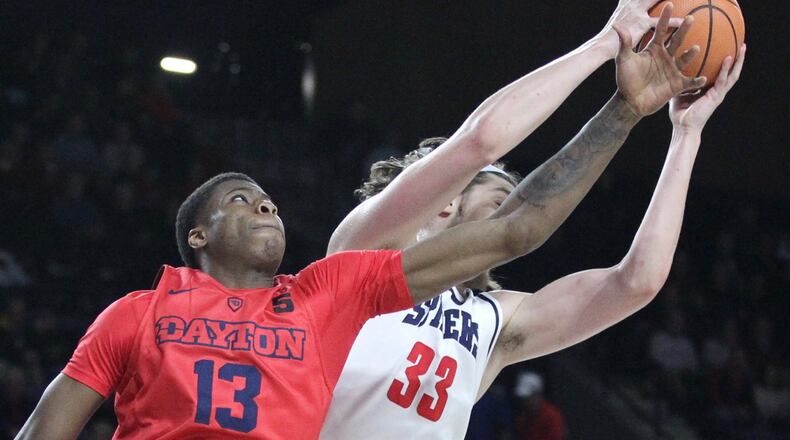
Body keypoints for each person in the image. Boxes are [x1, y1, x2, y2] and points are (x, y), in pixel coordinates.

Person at [320, 8, 746, 440]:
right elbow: (482, 146)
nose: (516, 209)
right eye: (500, 200)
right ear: (446, 203)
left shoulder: (498, 320)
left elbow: (638, 282)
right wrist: (606, 44)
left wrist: (685, 133)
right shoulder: (358, 260)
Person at [17, 158, 578, 439]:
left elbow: (515, 232)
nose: (267, 207)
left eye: (270, 203)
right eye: (242, 199)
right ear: (198, 236)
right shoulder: (138, 311)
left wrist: (624, 109)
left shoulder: (323, 296)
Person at [512, 372, 566, 440]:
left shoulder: (552, 416)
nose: (525, 402)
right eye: (523, 399)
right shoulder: (524, 416)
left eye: (528, 398)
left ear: (537, 394)